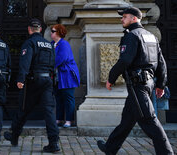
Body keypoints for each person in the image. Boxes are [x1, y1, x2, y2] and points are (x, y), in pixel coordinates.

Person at [97, 7, 174, 155]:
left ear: (134, 18)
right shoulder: (151, 36)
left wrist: (111, 78)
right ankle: (110, 148)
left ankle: (166, 152)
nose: (122, 19)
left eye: (124, 17)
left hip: (138, 84)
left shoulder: (132, 35)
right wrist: (160, 84)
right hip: (147, 83)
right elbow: (161, 62)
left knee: (149, 120)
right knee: (127, 120)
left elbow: (125, 60)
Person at [4, 18, 60, 153]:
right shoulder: (48, 44)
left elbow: (25, 62)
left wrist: (21, 79)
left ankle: (14, 135)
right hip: (47, 80)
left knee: (23, 108)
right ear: (40, 29)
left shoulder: (29, 43)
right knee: (49, 112)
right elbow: (53, 63)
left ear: (29, 29)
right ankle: (54, 143)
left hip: (33, 81)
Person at [50, 24, 80, 128]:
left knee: (68, 98)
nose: (51, 33)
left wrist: (49, 66)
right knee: (58, 98)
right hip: (57, 76)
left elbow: (61, 59)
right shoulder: (52, 44)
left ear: (58, 32)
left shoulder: (64, 44)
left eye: (53, 31)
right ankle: (59, 119)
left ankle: (69, 120)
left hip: (67, 76)